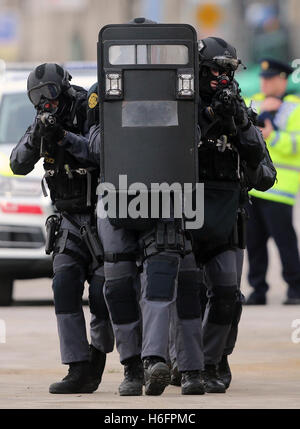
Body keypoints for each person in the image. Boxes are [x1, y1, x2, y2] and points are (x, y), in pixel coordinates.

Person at [89, 17, 205, 396]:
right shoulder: (100, 96)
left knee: (161, 284)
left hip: (168, 200)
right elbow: (91, 143)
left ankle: (155, 361)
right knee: (118, 289)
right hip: (117, 201)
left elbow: (191, 139)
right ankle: (132, 367)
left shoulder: (188, 96)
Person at [169, 37, 276, 393]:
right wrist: (211, 117)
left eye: (227, 72)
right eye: (215, 70)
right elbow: (175, 146)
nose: (220, 78)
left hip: (228, 213)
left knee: (228, 295)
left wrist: (239, 121)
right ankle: (188, 364)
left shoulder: (237, 106)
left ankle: (213, 360)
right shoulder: (184, 104)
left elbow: (263, 170)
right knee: (186, 294)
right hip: (185, 211)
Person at [10, 63, 114, 394]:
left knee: (102, 296)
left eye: (49, 93)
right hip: (68, 219)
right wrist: (40, 136)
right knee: (64, 287)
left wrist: (63, 137)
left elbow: (100, 153)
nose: (45, 101)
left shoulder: (88, 108)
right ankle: (76, 366)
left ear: (64, 88)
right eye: (37, 97)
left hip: (101, 216)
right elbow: (16, 163)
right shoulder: (42, 120)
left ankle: (96, 359)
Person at [244, 58, 300, 305]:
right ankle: (258, 290)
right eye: (263, 78)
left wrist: (272, 136)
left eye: (270, 78)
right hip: (252, 186)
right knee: (253, 243)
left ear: (283, 79)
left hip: (280, 189)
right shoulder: (251, 101)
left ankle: (295, 288)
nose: (265, 83)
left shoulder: (295, 107)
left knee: (284, 241)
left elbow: (297, 144)